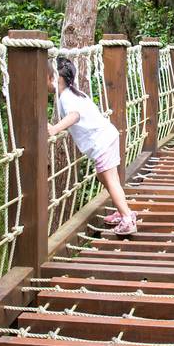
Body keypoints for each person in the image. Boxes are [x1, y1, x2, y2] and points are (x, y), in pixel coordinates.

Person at [48, 56, 138, 236]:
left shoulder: (66, 97)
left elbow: (75, 115)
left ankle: (128, 218)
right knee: (105, 177)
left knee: (110, 179)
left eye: (45, 76)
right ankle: (123, 212)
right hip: (106, 137)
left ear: (55, 78)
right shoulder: (75, 93)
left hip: (101, 142)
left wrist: (55, 129)